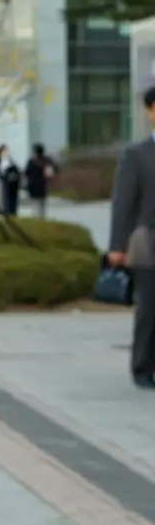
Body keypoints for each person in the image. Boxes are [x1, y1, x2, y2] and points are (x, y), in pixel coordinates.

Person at [108, 84, 155, 389]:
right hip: (148, 241)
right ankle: (142, 366)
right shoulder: (136, 155)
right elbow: (123, 202)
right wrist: (116, 245)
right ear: (150, 111)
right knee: (149, 307)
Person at [24, 143, 58, 219]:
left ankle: (36, 218)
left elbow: (26, 173)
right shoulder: (47, 161)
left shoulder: (31, 161)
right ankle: (41, 218)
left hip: (32, 186)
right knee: (42, 205)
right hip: (42, 186)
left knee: (34, 205)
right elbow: (51, 172)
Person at [0, 144, 21, 216]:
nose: (7, 153)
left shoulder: (11, 162)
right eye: (5, 151)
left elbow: (16, 173)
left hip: (10, 186)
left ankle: (10, 212)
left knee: (10, 200)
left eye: (7, 151)